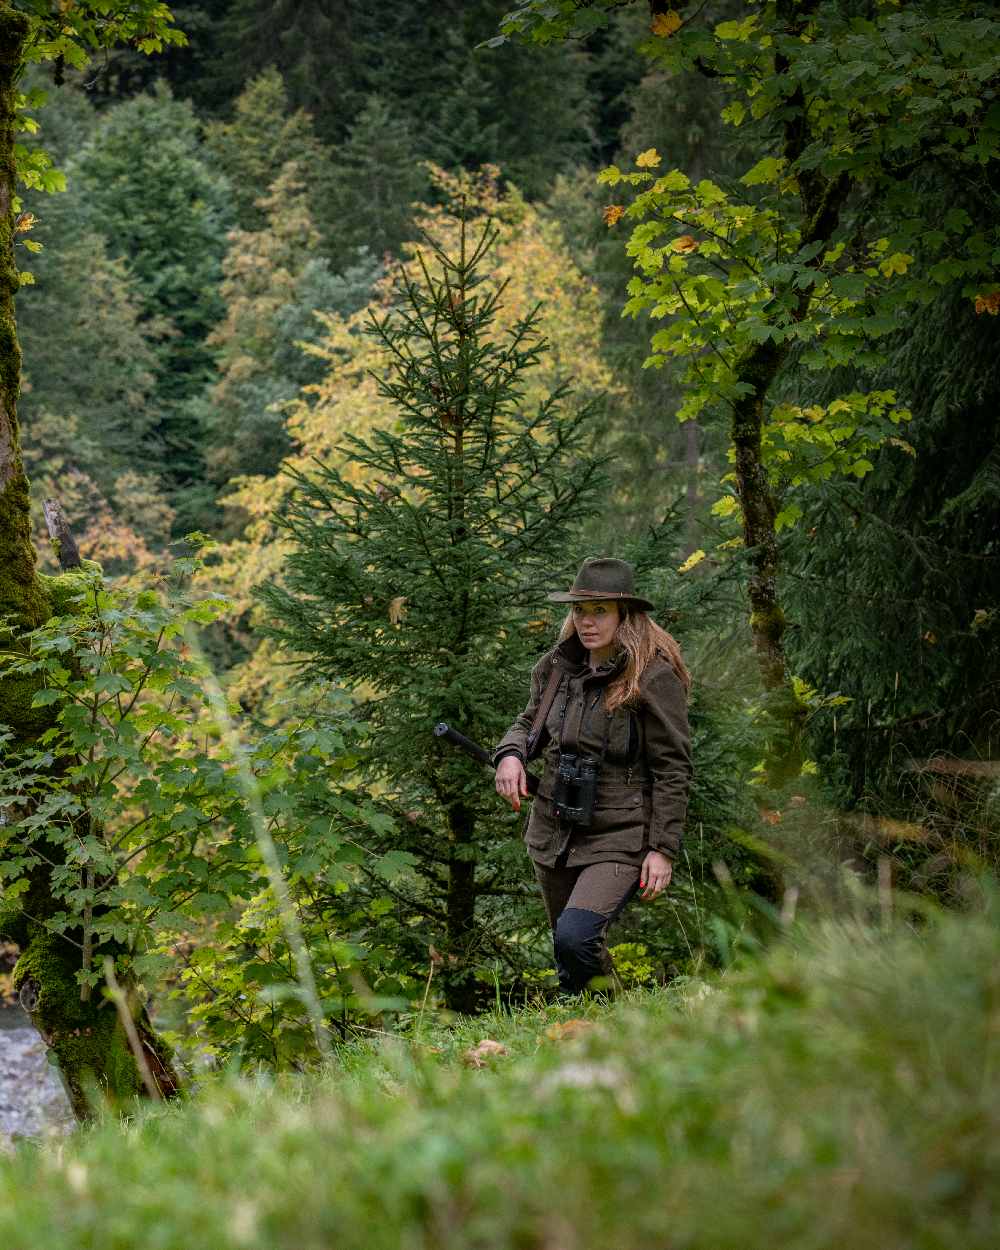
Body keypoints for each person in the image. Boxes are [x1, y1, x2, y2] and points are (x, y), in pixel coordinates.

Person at [493, 557, 692, 995]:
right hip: (554, 828)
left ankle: (618, 1021)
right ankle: (592, 1034)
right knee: (570, 956)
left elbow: (673, 768)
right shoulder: (556, 667)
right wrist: (510, 755)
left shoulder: (652, 677)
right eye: (581, 610)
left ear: (625, 615)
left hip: (620, 834)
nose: (587, 621)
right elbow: (530, 723)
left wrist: (662, 848)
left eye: (600, 610)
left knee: (576, 937)